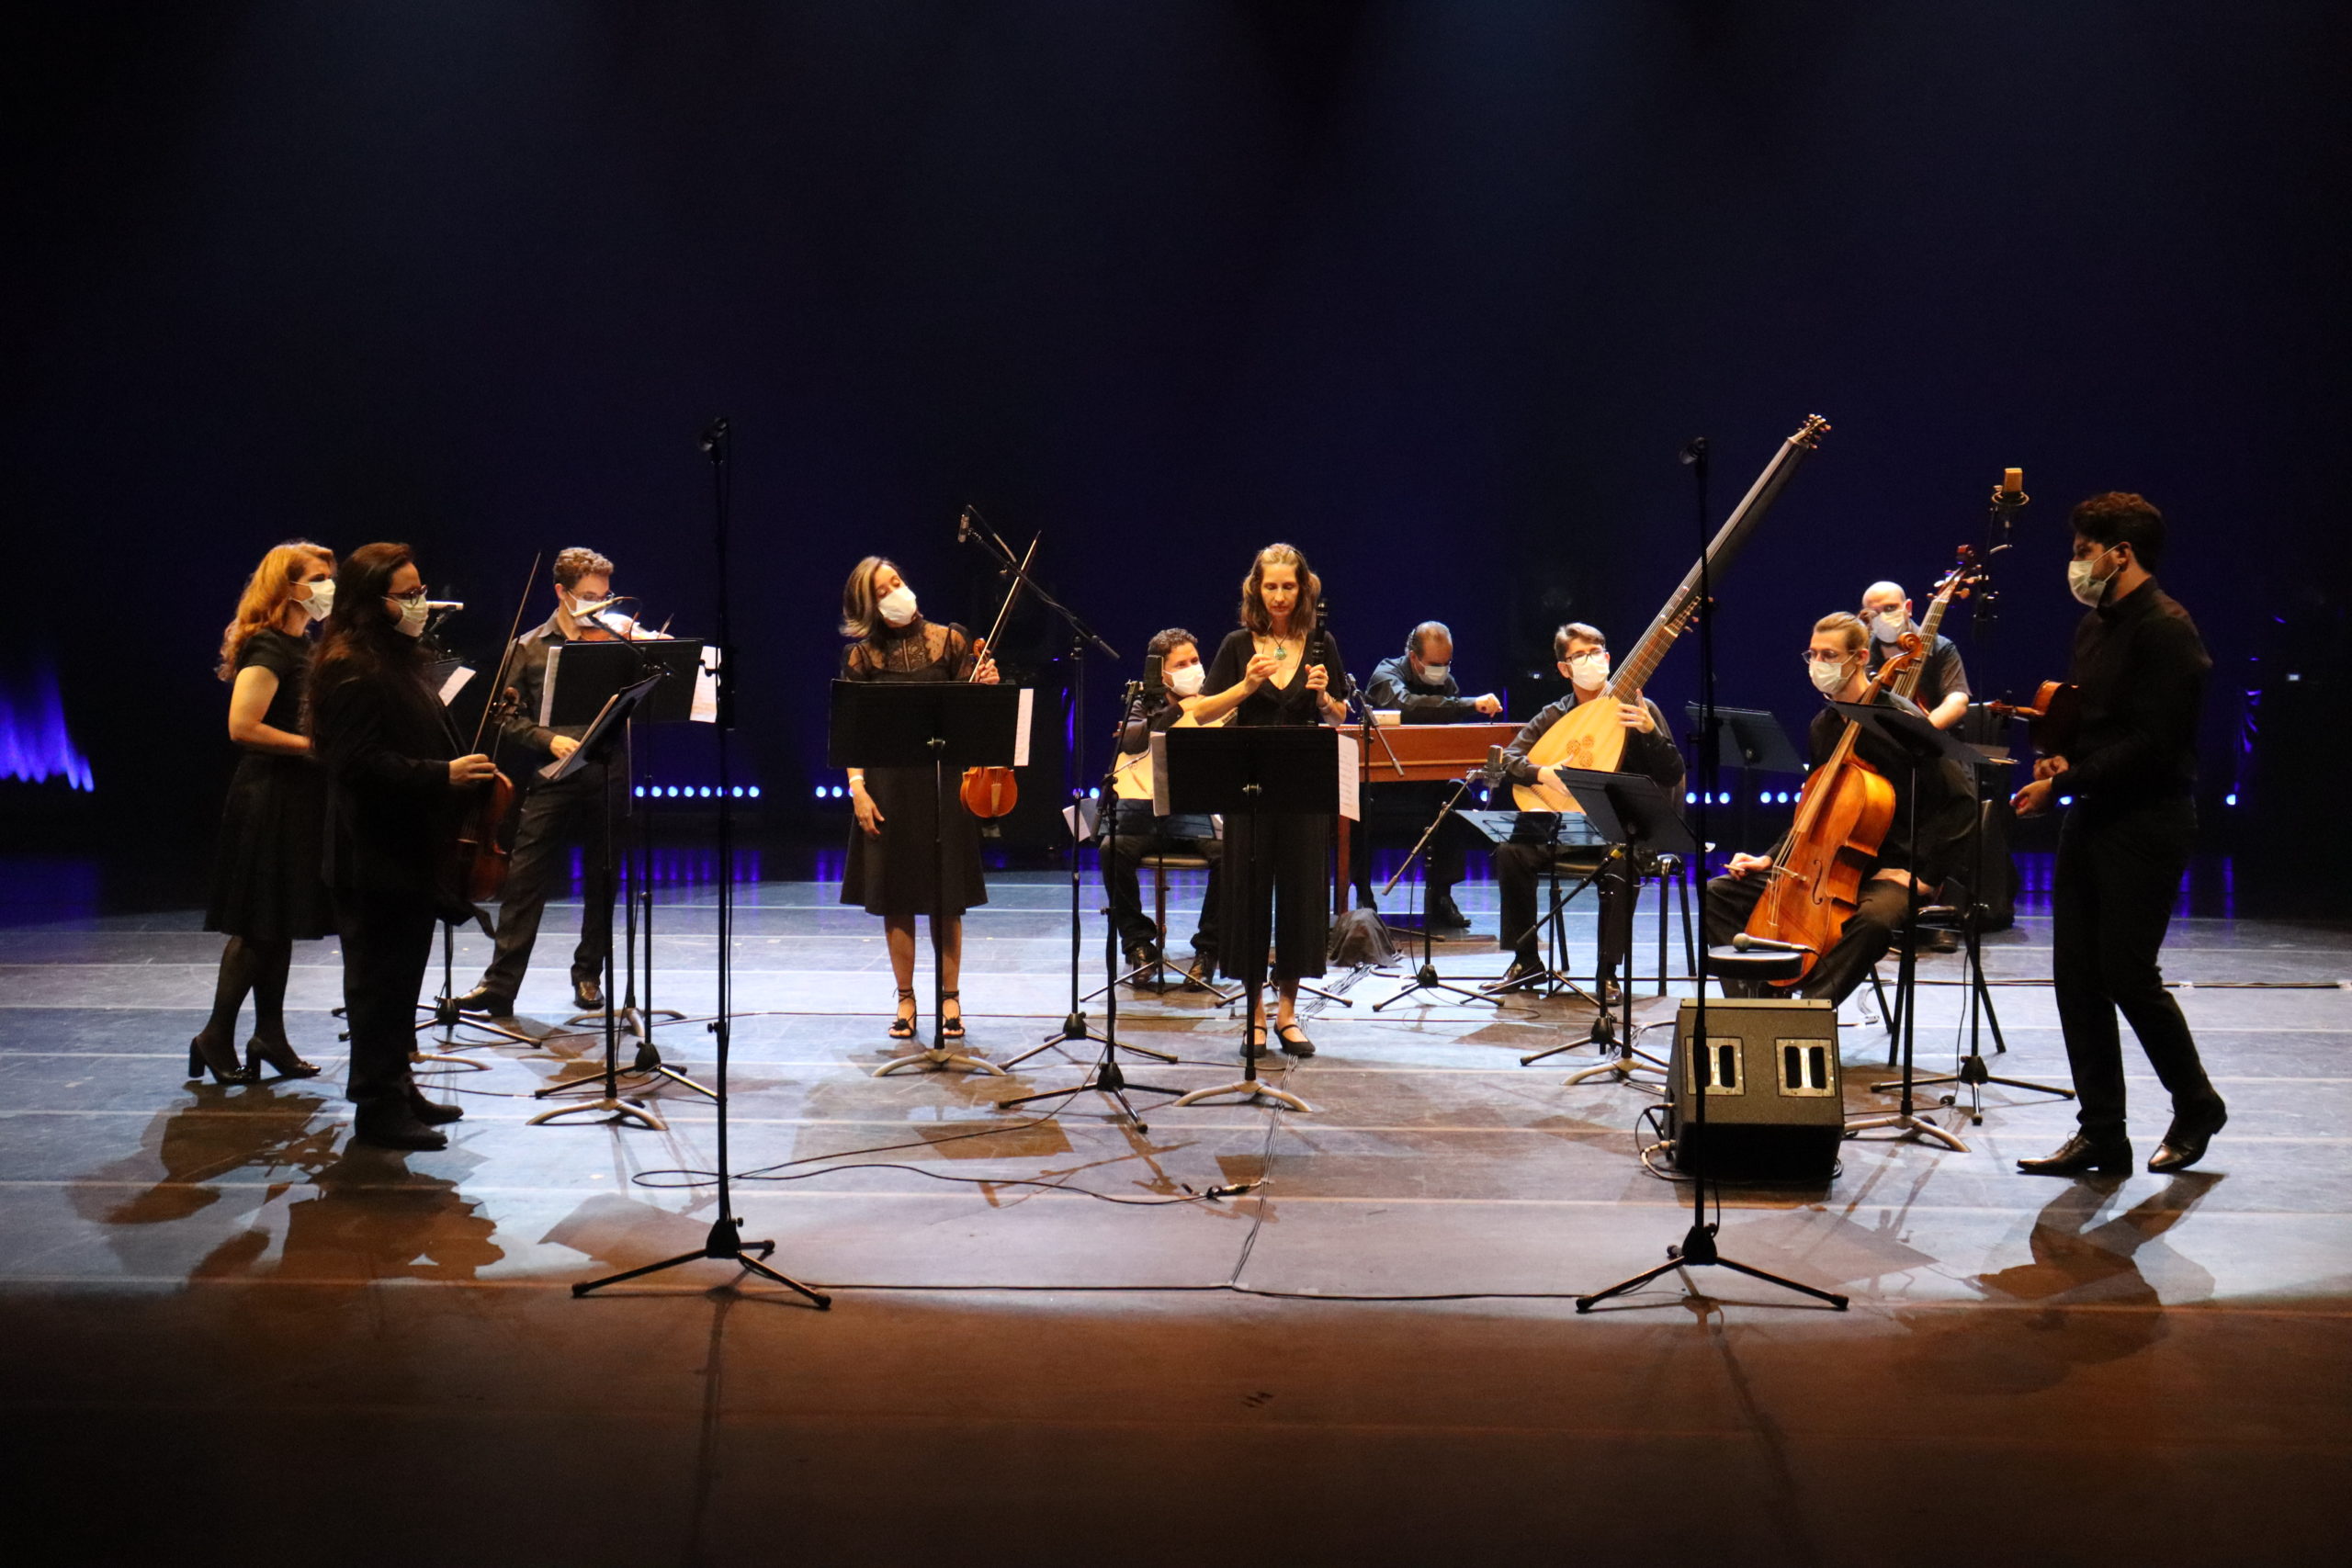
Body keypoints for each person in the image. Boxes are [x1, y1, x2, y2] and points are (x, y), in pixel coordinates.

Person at [2011, 493, 2226, 1176]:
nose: (2075, 563)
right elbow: (2096, 723)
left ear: (2119, 552)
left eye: (2082, 549)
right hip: (2095, 814)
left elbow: (2154, 745)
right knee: (2077, 978)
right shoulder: (2094, 627)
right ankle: (2102, 1130)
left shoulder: (2167, 630)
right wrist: (2057, 755)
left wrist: (2064, 782)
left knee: (2128, 974)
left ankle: (2196, 1103)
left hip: (2148, 820)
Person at [308, 542, 500, 1151]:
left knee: (400, 984)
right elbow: (358, 765)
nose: (422, 602)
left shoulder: (399, 660)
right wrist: (441, 774)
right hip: (372, 854)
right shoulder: (350, 666)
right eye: (408, 593)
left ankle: (397, 1084)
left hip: (408, 848)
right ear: (371, 601)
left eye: (421, 589)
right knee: (376, 985)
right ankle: (376, 1106)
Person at [1702, 612, 1973, 1005]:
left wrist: (1925, 874)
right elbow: (1815, 811)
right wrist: (1771, 858)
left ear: (1861, 657)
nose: (1817, 665)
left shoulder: (1903, 721)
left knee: (1874, 922)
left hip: (1888, 871)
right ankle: (1758, 1004)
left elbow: (1962, 800)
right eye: (1812, 654)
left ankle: (1810, 1010)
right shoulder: (1824, 726)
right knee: (1719, 893)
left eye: (1828, 655)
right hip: (1822, 873)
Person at [456, 547, 650, 1018]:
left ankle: (589, 975)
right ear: (562, 593)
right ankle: (500, 983)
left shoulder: (614, 637)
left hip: (608, 770)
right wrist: (548, 741)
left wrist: (644, 646)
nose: (598, 608)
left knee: (604, 879)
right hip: (553, 773)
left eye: (604, 598)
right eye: (588, 597)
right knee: (524, 879)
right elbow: (506, 716)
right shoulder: (529, 646)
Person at [1191, 543, 1351, 1057]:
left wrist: (1325, 698)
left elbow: (1340, 718)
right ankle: (1254, 1015)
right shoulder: (1238, 643)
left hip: (1304, 785)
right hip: (1249, 784)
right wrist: (1246, 685)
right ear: (1256, 589)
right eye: (1271, 586)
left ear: (1302, 589)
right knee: (1249, 896)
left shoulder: (1321, 642)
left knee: (1303, 897)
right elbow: (1201, 711)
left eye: (1288, 586)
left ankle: (1287, 1014)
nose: (1280, 596)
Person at [192, 540, 339, 1085]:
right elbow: (243, 727)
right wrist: (316, 748)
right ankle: (214, 1036)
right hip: (269, 797)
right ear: (288, 586)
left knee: (277, 924)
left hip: (297, 797)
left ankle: (269, 1035)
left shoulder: (303, 645)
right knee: (258, 926)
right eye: (319, 577)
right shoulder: (270, 648)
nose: (329, 586)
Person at [839, 556, 1000, 1045]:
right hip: (887, 786)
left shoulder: (950, 640)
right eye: (884, 590)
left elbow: (977, 716)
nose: (897, 592)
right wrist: (857, 788)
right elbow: (850, 733)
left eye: (898, 582)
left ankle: (950, 996)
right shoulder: (862, 657)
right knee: (895, 897)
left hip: (943, 783)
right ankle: (906, 997)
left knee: (947, 898)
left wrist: (987, 686)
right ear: (870, 605)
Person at [1490, 623, 1683, 988]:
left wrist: (1649, 733)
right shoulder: (1555, 715)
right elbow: (1505, 760)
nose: (1592, 661)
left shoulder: (1639, 710)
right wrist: (1542, 773)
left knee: (1622, 862)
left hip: (1621, 833)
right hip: (1568, 827)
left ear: (1609, 658)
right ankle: (1526, 960)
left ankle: (1607, 972)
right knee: (1511, 851)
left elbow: (1673, 773)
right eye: (1581, 656)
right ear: (1564, 668)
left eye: (1598, 653)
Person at [1361, 620, 1504, 931]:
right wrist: (1469, 704)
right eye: (1435, 664)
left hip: (1426, 787)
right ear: (1414, 658)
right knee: (1354, 799)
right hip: (1383, 789)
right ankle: (1363, 897)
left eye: (1447, 663)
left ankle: (1440, 895)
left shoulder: (1447, 685)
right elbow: (1406, 705)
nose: (1443, 670)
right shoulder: (1385, 675)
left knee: (1457, 793)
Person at [1102, 627, 1223, 983]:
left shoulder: (1215, 698)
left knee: (1231, 852)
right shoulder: (1143, 701)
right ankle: (1139, 944)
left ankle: (1208, 949)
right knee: (1112, 849)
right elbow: (1134, 739)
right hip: (1147, 818)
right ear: (1162, 672)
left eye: (1195, 661)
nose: (1193, 669)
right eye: (1182, 664)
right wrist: (1176, 709)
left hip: (1197, 816)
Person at [1860, 580, 1973, 730]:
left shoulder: (1941, 647)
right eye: (1875, 613)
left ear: (1908, 607)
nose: (1884, 617)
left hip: (1932, 744)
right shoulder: (1864, 651)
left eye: (1891, 608)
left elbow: (1957, 701)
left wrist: (1922, 732)